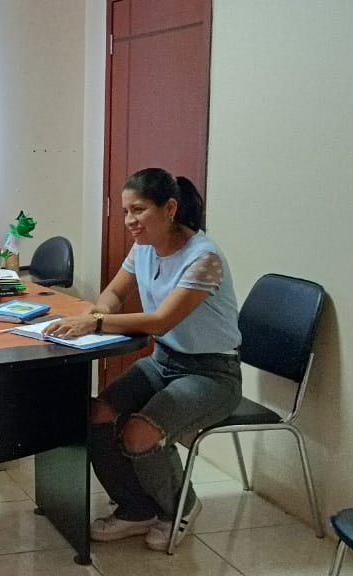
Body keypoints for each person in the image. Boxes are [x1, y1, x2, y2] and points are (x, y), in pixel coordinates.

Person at [44, 167, 242, 551]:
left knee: (140, 433)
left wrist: (95, 322)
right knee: (96, 414)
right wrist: (98, 312)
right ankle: (136, 509)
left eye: (139, 210)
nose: (129, 221)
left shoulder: (204, 258)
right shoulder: (144, 248)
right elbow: (114, 294)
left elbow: (162, 320)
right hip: (163, 361)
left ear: (170, 209)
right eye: (125, 211)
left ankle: (181, 507)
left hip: (212, 374)